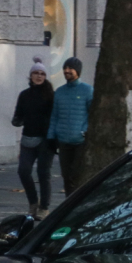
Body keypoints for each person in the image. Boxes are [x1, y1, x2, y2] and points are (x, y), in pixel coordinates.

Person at [12, 56, 55, 218]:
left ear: (45, 76)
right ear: (30, 76)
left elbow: (54, 117)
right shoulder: (24, 95)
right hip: (28, 138)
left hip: (45, 140)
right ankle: (33, 203)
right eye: (36, 73)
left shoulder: (51, 95)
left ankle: (44, 207)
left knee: (43, 173)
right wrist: (17, 120)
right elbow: (18, 116)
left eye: (42, 74)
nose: (39, 76)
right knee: (23, 171)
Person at [47, 56, 93, 195]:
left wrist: (84, 131)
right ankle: (69, 204)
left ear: (78, 71)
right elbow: (54, 116)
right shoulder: (59, 92)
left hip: (80, 142)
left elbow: (92, 115)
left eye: (70, 68)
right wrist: (51, 137)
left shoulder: (88, 91)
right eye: (65, 68)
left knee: (77, 176)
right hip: (63, 141)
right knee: (66, 176)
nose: (67, 71)